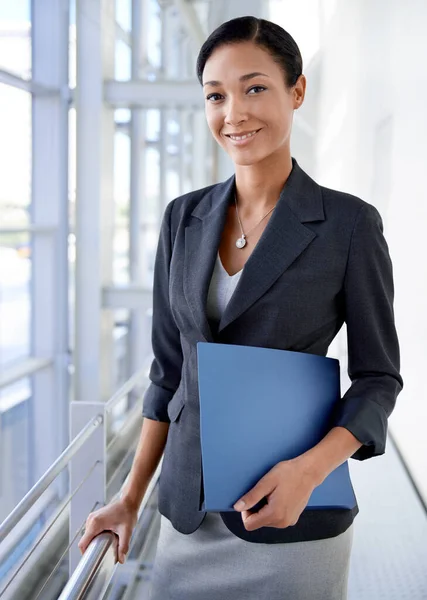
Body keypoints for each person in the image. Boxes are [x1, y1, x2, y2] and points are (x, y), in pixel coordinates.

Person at [78, 16, 403, 600]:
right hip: (188, 516)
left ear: (296, 91)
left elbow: (378, 378)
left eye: (255, 88)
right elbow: (167, 373)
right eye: (215, 95)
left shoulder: (349, 225)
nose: (234, 113)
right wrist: (129, 499)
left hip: (293, 519)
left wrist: (309, 472)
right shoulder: (184, 218)